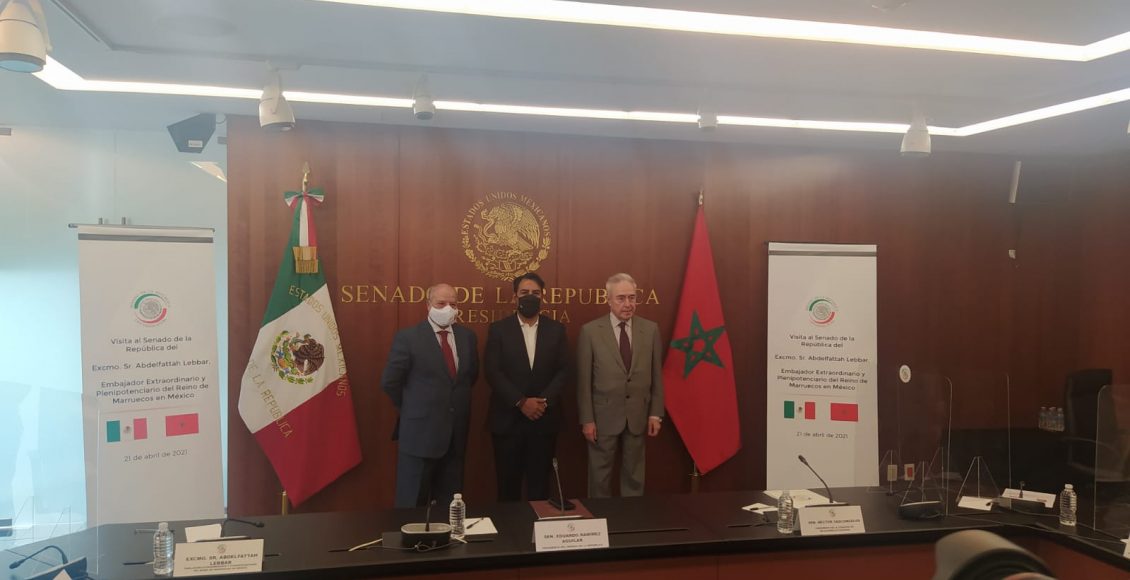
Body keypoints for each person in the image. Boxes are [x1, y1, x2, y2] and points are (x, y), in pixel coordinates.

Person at [381, 283, 479, 508]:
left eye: (453, 304)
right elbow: (390, 382)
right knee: (412, 505)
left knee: (450, 506)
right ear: (428, 305)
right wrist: (412, 408)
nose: (448, 309)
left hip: (455, 437)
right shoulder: (408, 338)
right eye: (441, 303)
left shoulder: (467, 337)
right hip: (419, 435)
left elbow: (469, 378)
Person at [577, 272, 664, 498]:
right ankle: (601, 516)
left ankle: (632, 518)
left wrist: (655, 413)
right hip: (602, 417)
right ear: (608, 300)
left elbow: (657, 375)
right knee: (600, 477)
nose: (628, 304)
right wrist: (587, 419)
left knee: (634, 476)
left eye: (632, 298)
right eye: (621, 298)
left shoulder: (650, 330)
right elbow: (584, 382)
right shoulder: (590, 331)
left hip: (637, 416)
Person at [484, 272, 569, 501]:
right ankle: (509, 526)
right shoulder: (498, 329)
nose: (530, 297)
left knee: (540, 489)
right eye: (524, 293)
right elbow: (493, 371)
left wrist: (542, 402)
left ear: (543, 297)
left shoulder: (556, 329)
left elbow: (564, 370)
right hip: (507, 421)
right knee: (507, 488)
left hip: (544, 419)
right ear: (515, 297)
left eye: (535, 293)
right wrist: (521, 402)